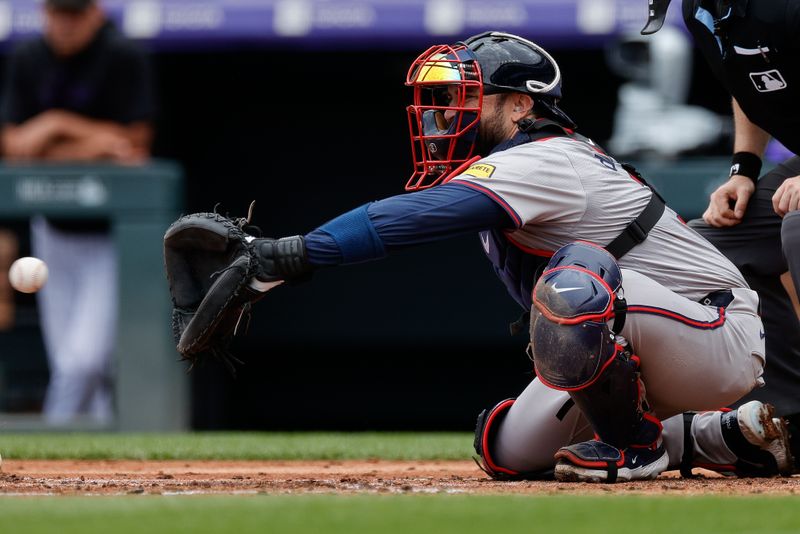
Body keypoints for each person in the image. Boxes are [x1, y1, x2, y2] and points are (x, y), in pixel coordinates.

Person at [167, 31, 793, 482]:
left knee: (573, 283)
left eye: (469, 96)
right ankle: (724, 437)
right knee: (506, 452)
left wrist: (284, 257)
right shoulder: (513, 166)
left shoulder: (547, 157)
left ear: (522, 106)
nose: (445, 114)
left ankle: (636, 448)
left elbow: (411, 219)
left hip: (715, 331)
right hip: (650, 339)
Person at [641, 0, 800, 460]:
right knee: (711, 248)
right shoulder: (701, 11)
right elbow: (751, 87)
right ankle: (789, 416)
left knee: (797, 226)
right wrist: (744, 169)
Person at [0, 0, 155, 424]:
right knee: (73, 361)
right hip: (51, 232)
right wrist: (84, 136)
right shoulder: (28, 57)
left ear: (95, 13)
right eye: (56, 13)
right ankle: (98, 470)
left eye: (74, 14)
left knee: (83, 363)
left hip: (111, 236)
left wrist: (52, 130)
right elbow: (14, 147)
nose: (64, 24)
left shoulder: (121, 55)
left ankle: (44, 450)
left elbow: (134, 148)